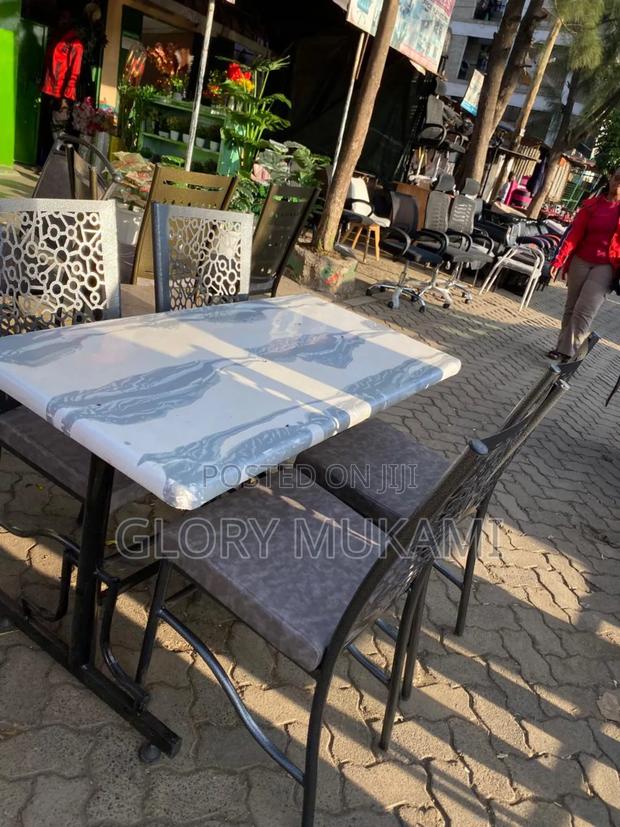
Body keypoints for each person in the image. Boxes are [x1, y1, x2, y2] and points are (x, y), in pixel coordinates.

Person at [547, 168, 620, 359]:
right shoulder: (592, 205)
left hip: (606, 266)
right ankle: (560, 347)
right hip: (581, 260)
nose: (618, 183)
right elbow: (574, 235)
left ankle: (567, 352)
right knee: (571, 307)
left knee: (585, 310)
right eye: (617, 178)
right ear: (611, 179)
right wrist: (559, 259)